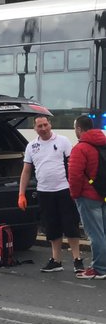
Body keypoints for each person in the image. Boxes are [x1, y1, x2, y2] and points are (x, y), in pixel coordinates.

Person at [18, 116, 83, 274]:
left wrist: (76, 188)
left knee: (71, 225)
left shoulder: (63, 141)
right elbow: (26, 171)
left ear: (50, 124)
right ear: (35, 129)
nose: (43, 128)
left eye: (45, 124)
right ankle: (56, 260)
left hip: (64, 190)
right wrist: (21, 194)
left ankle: (77, 259)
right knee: (51, 227)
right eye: (40, 126)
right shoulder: (31, 146)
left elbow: (73, 165)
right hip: (44, 191)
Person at [69, 115, 106, 280]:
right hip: (103, 194)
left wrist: (74, 195)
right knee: (103, 232)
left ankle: (99, 268)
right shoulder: (103, 144)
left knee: (95, 234)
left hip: (88, 196)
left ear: (79, 129)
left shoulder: (80, 148)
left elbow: (75, 175)